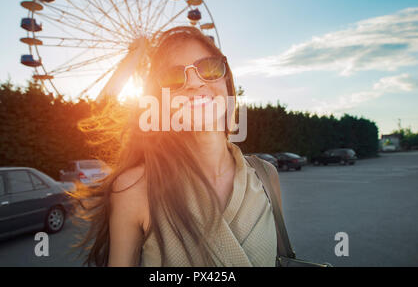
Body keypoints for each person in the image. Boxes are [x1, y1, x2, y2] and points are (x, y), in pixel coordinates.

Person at [72, 26, 282, 267]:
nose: (193, 82)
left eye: (209, 68)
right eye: (173, 76)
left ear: (227, 80)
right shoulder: (135, 189)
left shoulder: (266, 177)